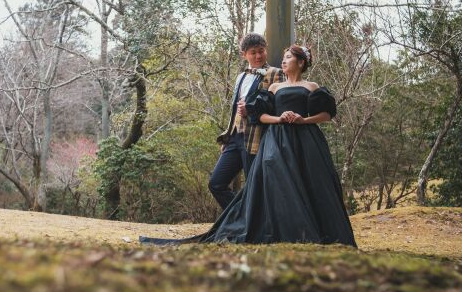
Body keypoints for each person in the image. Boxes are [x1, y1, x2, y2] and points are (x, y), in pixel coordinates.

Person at [140, 44, 356, 247]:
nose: (283, 61)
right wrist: (280, 118)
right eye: (283, 57)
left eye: (288, 57)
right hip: (277, 140)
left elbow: (326, 115)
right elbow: (259, 116)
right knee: (276, 183)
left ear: (301, 62)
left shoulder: (312, 86)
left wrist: (303, 120)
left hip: (307, 141)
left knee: (312, 184)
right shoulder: (274, 87)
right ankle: (262, 223)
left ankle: (313, 231)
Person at [209, 33, 285, 210]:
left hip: (258, 137)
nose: (258, 56)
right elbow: (235, 109)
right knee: (216, 183)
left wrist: (251, 110)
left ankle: (253, 222)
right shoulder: (241, 76)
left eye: (261, 51)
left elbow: (280, 106)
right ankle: (239, 217)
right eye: (253, 52)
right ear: (244, 55)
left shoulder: (276, 74)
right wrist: (228, 136)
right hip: (235, 138)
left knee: (255, 187)